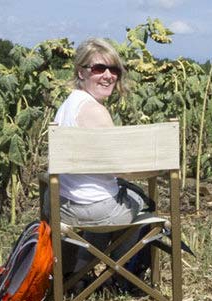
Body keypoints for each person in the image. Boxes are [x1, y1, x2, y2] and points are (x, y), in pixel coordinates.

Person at [51, 38, 148, 280]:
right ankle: (123, 277)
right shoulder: (95, 111)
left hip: (61, 200)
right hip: (87, 208)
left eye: (113, 69)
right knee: (142, 202)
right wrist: (156, 169)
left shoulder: (69, 104)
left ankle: (77, 273)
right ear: (81, 72)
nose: (108, 76)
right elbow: (122, 168)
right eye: (98, 69)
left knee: (118, 193)